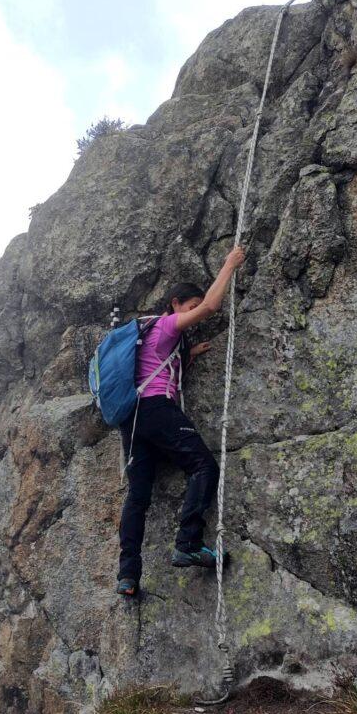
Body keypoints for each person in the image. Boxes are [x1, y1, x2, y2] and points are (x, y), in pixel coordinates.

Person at [116, 246, 246, 596]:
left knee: (138, 497)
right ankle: (188, 542)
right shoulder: (165, 323)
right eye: (187, 307)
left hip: (133, 420)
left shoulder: (150, 336)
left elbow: (156, 362)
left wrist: (188, 354)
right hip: (157, 409)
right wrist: (229, 265)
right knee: (204, 466)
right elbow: (210, 307)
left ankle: (127, 576)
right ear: (175, 303)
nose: (191, 314)